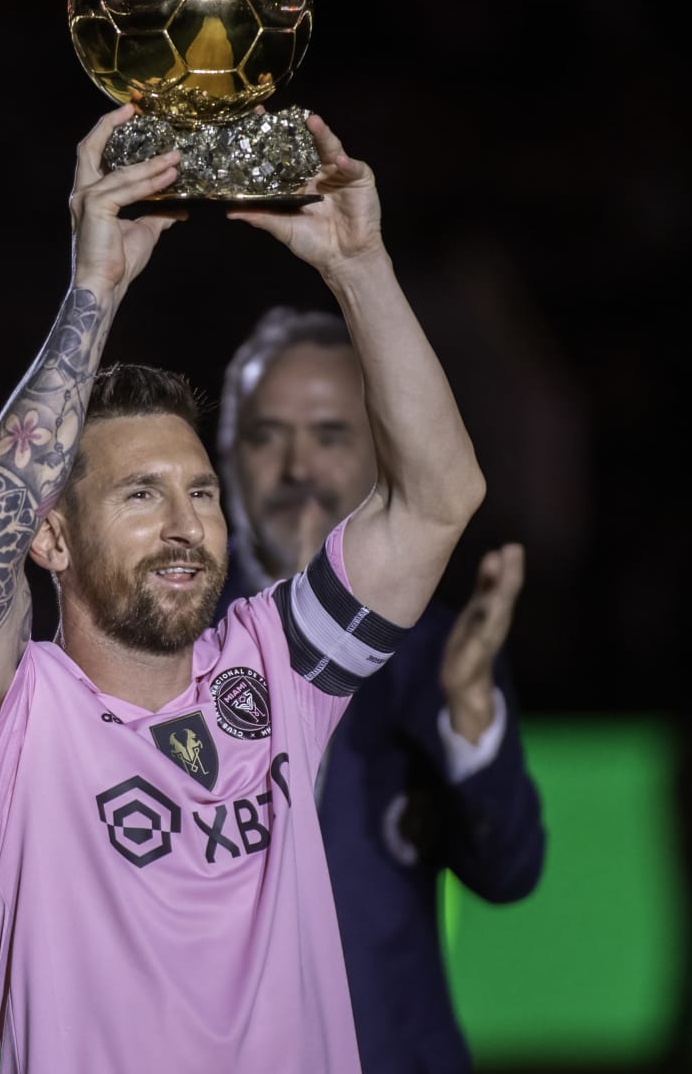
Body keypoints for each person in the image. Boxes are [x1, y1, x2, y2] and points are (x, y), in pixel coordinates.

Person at [0, 104, 485, 1072]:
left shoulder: (278, 664)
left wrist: (359, 268)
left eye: (201, 492)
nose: (186, 524)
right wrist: (93, 287)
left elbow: (438, 499)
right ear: (49, 535)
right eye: (141, 494)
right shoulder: (5, 723)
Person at [216, 307, 547, 1073]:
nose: (299, 467)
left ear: (379, 454)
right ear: (227, 456)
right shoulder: (163, 638)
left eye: (330, 435)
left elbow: (510, 870)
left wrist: (469, 709)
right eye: (269, 436)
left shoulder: (437, 650)